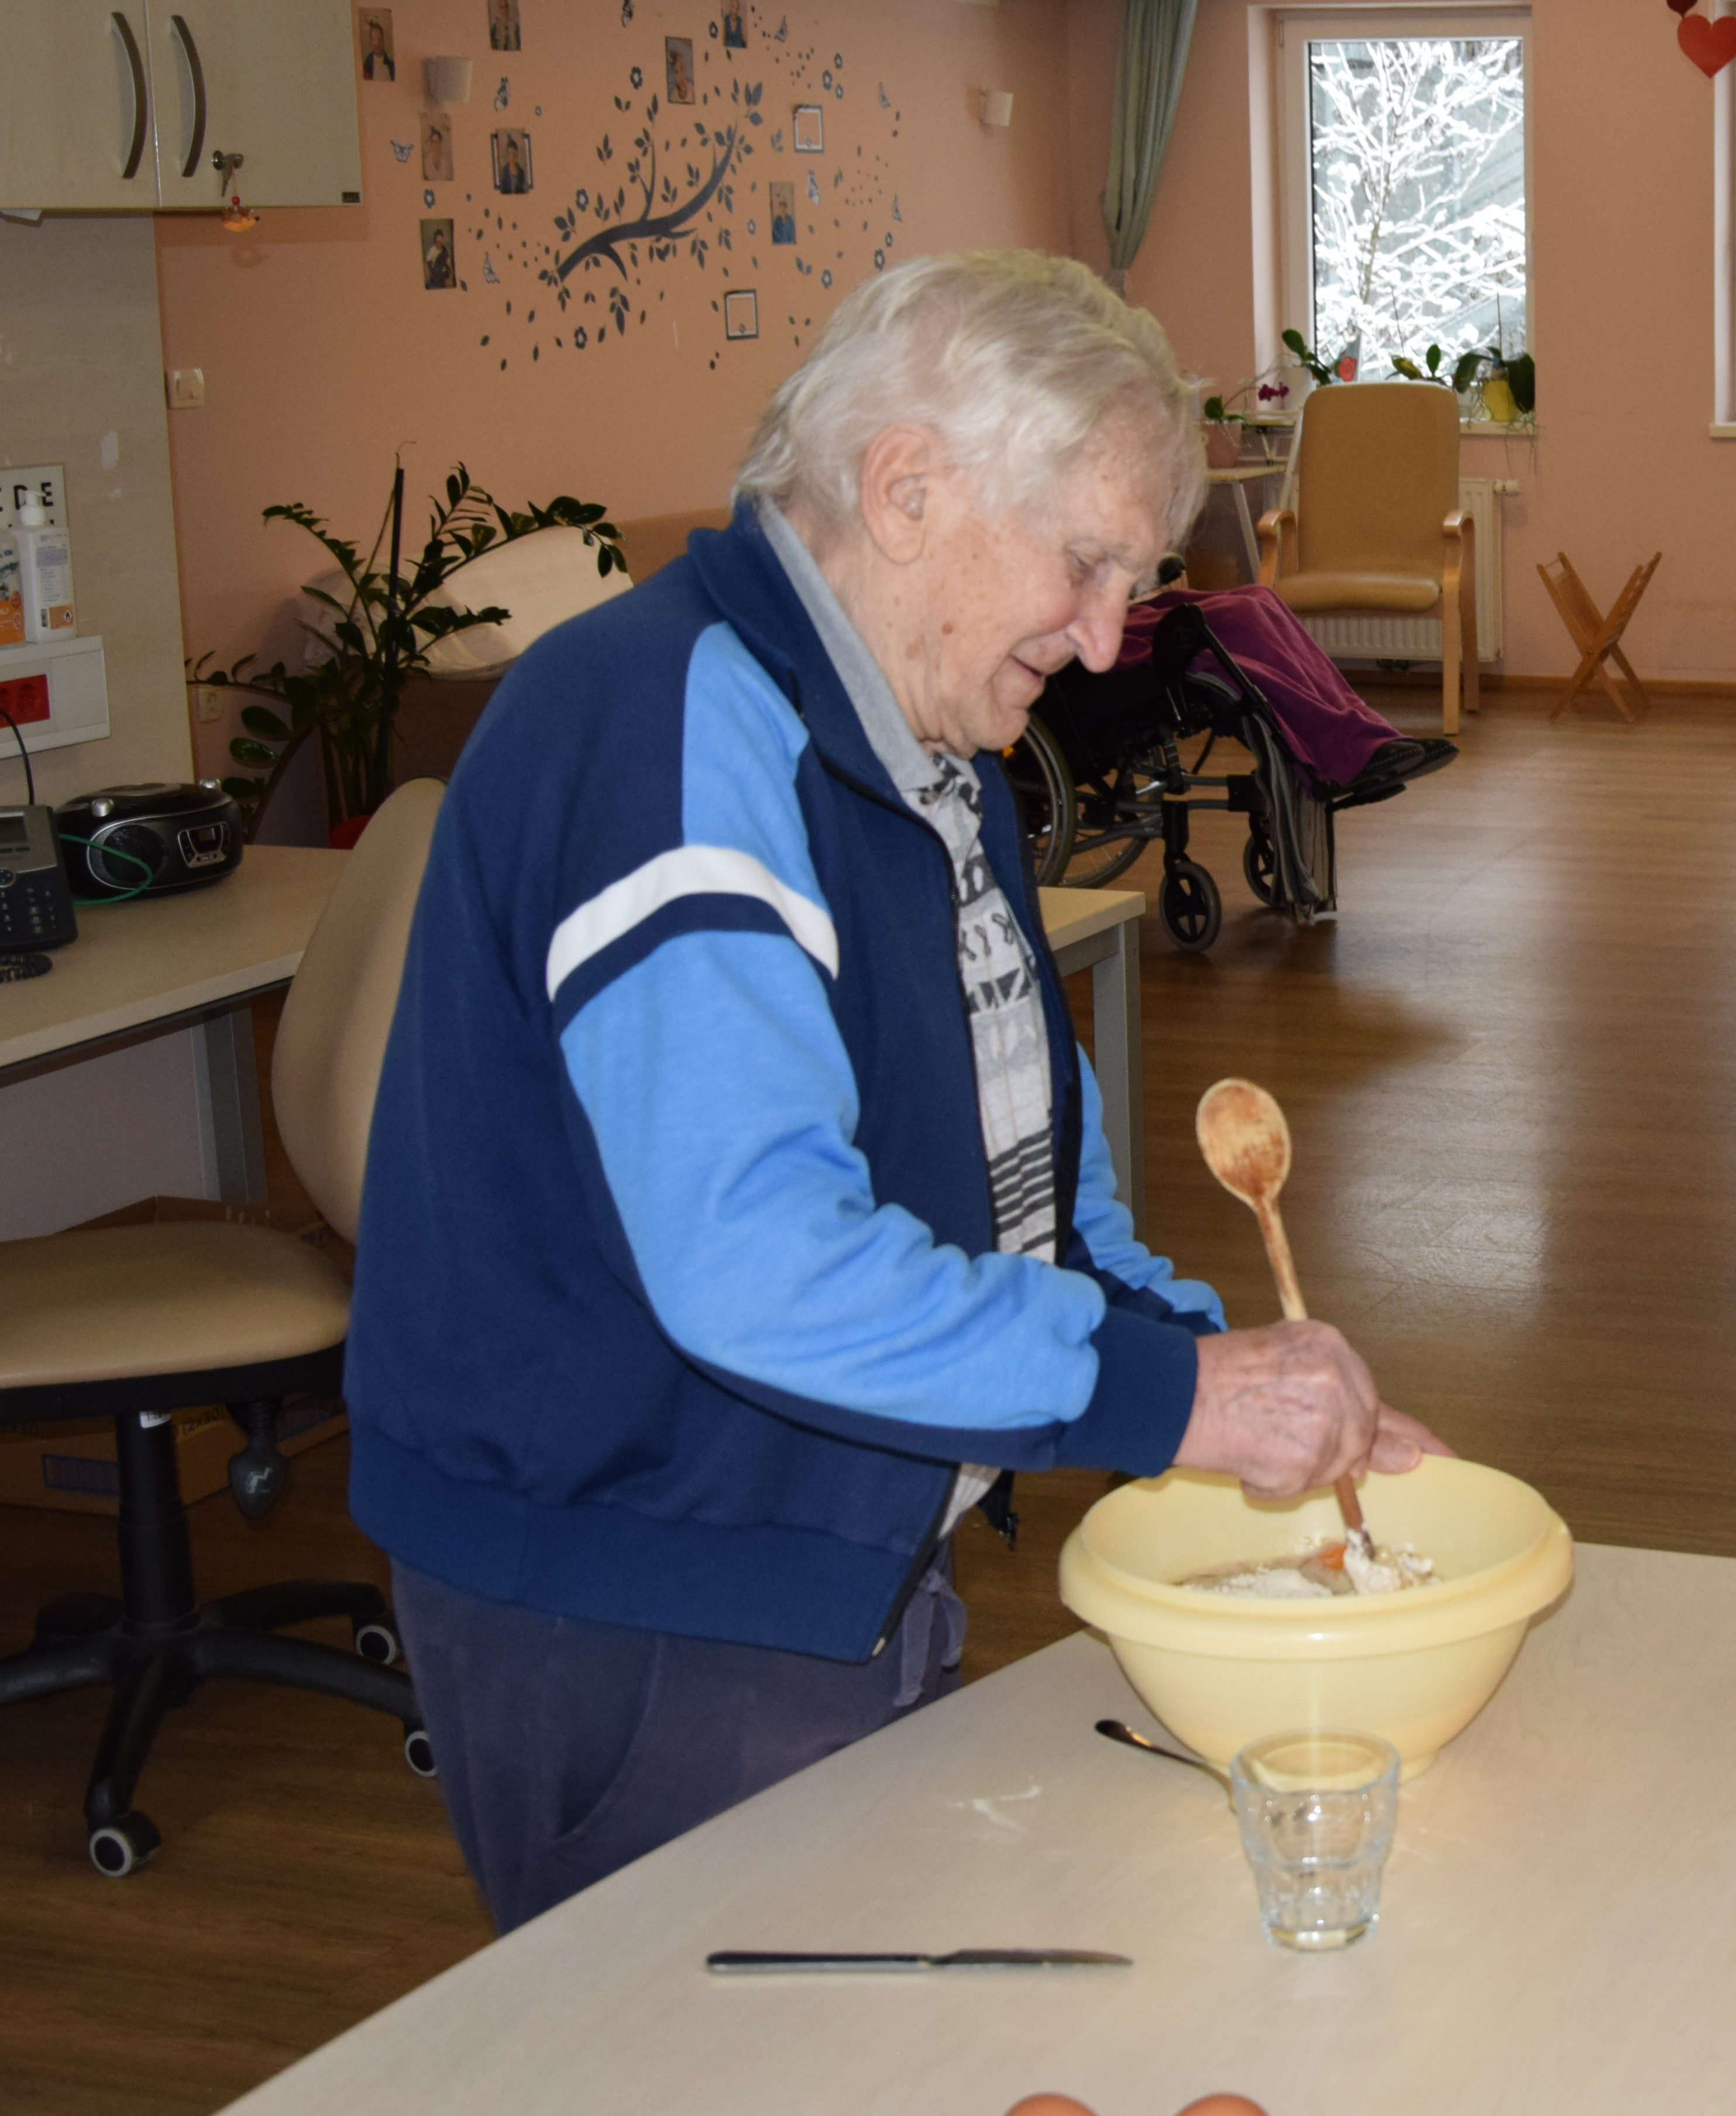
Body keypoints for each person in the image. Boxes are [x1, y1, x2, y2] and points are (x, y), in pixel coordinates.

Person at [346, 250, 1439, 1930]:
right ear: (908, 488)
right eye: (1085, 568)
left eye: (1128, 584)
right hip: (646, 1587)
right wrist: (1186, 1406)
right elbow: (757, 1262)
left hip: (830, 1545)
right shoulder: (670, 741)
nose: (1095, 644)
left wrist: (1229, 1376)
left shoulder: (927, 750)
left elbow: (1032, 1194)